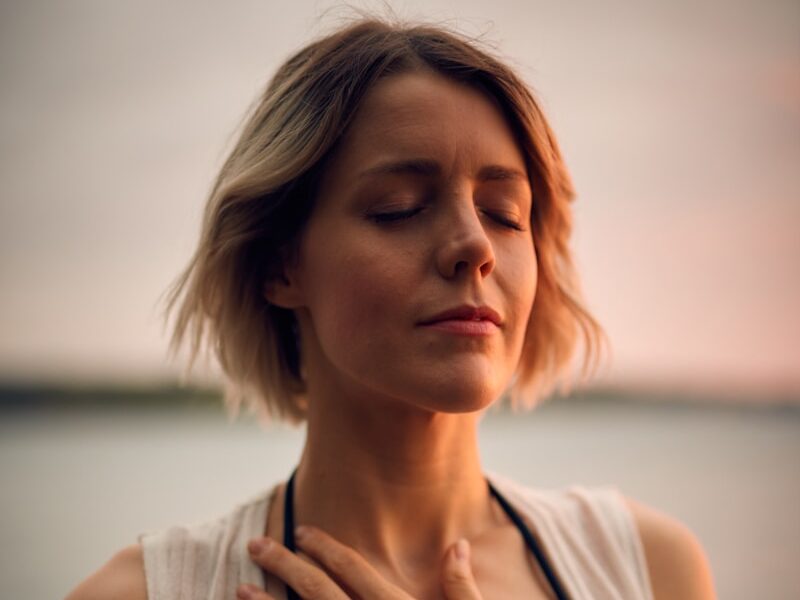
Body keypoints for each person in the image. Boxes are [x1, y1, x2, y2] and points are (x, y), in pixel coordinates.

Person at [66, 17, 716, 600]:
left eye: (504, 214)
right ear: (278, 264)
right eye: (398, 207)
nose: (474, 245)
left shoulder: (649, 571)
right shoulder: (142, 593)